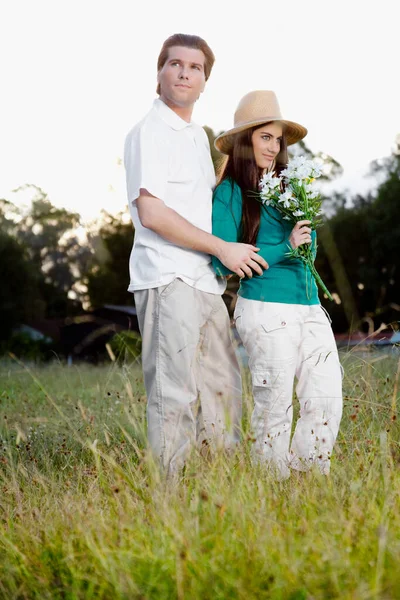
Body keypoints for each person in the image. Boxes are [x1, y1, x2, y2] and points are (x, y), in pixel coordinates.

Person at [123, 35, 268, 477]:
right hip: (168, 278)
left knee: (223, 393)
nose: (185, 72)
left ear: (205, 80)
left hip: (206, 281)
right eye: (175, 64)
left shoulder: (196, 137)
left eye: (195, 67)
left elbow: (203, 205)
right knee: (174, 395)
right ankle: (171, 507)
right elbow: (152, 212)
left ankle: (217, 497)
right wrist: (223, 248)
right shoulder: (150, 132)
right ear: (160, 72)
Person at [212, 90, 343, 479]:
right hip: (266, 307)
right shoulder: (231, 192)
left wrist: (303, 238)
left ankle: (307, 481)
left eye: (277, 138)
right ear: (245, 141)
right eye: (264, 137)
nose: (273, 146)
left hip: (308, 305)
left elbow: (309, 248)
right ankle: (272, 491)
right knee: (275, 407)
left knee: (327, 395)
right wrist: (285, 246)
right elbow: (225, 259)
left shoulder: (290, 189)